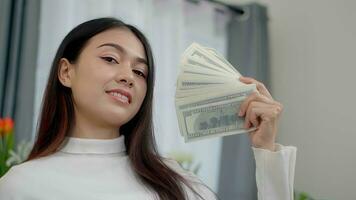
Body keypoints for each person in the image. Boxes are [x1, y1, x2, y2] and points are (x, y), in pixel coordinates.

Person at [0, 17, 296, 200]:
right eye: (110, 59)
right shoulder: (19, 186)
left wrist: (266, 153)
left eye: (140, 73)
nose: (128, 76)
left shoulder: (177, 181)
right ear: (66, 72)